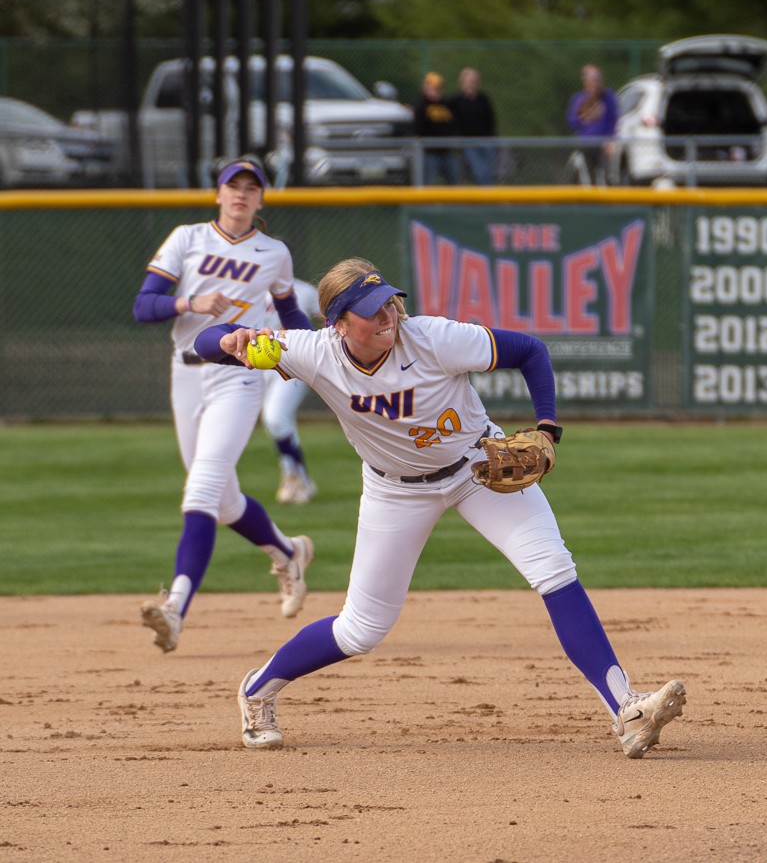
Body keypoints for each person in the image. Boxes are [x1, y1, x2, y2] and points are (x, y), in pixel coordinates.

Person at [194, 258, 687, 758]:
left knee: (554, 570)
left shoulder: (433, 338)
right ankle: (257, 688)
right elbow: (204, 342)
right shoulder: (312, 352)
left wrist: (547, 428)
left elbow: (530, 352)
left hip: (477, 468)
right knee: (361, 629)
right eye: (370, 310)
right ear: (338, 323)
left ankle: (626, 709)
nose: (387, 314)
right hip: (395, 491)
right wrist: (230, 339)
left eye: (388, 300)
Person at [132, 155, 315, 653]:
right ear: (218, 193)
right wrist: (189, 303)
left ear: (260, 198)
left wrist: (319, 355)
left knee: (203, 489)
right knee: (226, 501)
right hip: (185, 374)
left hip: (238, 379)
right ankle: (288, 551)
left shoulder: (273, 252)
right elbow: (143, 305)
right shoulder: (187, 238)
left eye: (251, 188)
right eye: (233, 186)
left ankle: (175, 609)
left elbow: (292, 312)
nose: (241, 194)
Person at [262, 276, 320, 505]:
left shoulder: (303, 290)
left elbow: (328, 316)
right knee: (277, 423)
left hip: (293, 361)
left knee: (275, 418)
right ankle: (297, 477)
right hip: (258, 364)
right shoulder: (246, 288)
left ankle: (295, 476)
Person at [566, 63, 618, 184]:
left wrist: (610, 139)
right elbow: (572, 122)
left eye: (597, 78)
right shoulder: (578, 99)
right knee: (589, 173)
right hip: (586, 143)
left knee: (607, 174)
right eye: (591, 78)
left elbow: (613, 119)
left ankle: (608, 194)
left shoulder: (607, 97)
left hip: (603, 143)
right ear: (584, 80)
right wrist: (585, 118)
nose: (595, 82)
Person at [449, 67, 498, 185]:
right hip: (468, 142)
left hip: (486, 140)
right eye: (469, 81)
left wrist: (491, 136)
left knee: (490, 171)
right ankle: (483, 196)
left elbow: (491, 119)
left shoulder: (483, 99)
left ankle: (489, 196)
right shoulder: (456, 100)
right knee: (479, 170)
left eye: (474, 81)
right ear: (462, 82)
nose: (472, 84)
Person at [412, 72, 462, 185]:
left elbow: (453, 123)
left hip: (446, 151)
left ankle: (455, 202)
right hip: (429, 152)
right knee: (428, 181)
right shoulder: (421, 106)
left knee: (455, 180)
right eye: (433, 88)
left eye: (438, 88)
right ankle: (425, 202)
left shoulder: (446, 105)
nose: (437, 91)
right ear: (425, 88)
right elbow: (418, 128)